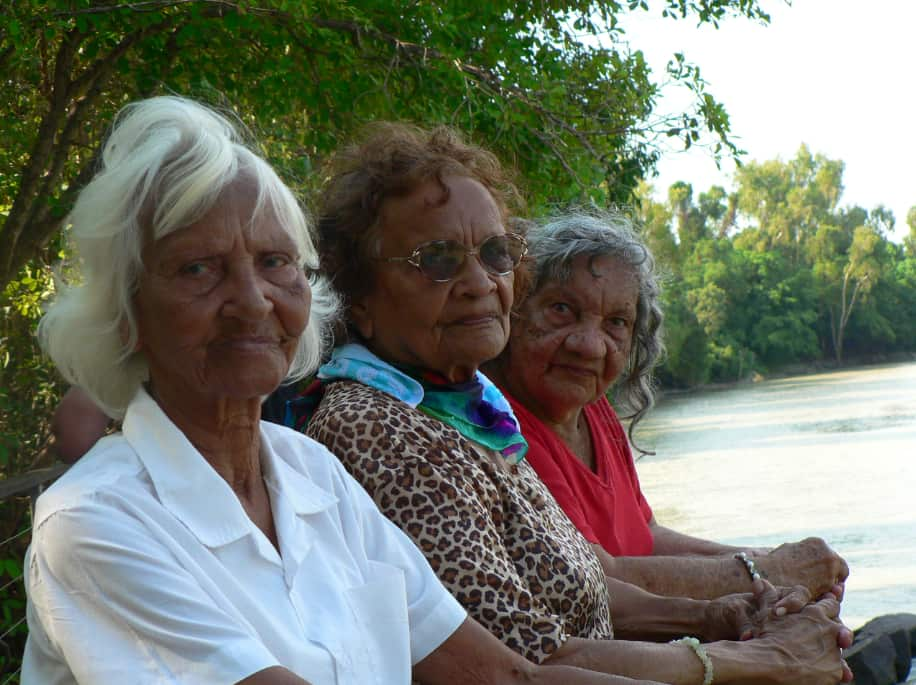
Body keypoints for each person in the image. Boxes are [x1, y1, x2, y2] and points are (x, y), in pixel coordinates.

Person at [23, 96, 655, 685]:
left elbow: (508, 675)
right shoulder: (95, 522)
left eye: (274, 262)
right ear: (126, 316)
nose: (251, 302)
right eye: (198, 268)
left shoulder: (312, 474)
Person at [296, 121, 852, 684]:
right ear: (358, 297)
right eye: (437, 259)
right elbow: (529, 663)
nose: (479, 282)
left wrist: (730, 612)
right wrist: (765, 658)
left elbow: (578, 582)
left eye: (494, 253)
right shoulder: (381, 433)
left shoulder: (468, 411)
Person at [482, 211, 850, 600]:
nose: (589, 346)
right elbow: (599, 579)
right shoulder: (501, 429)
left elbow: (648, 537)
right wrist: (768, 573)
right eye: (561, 309)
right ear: (515, 309)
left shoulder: (593, 408)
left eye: (617, 323)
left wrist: (767, 562)